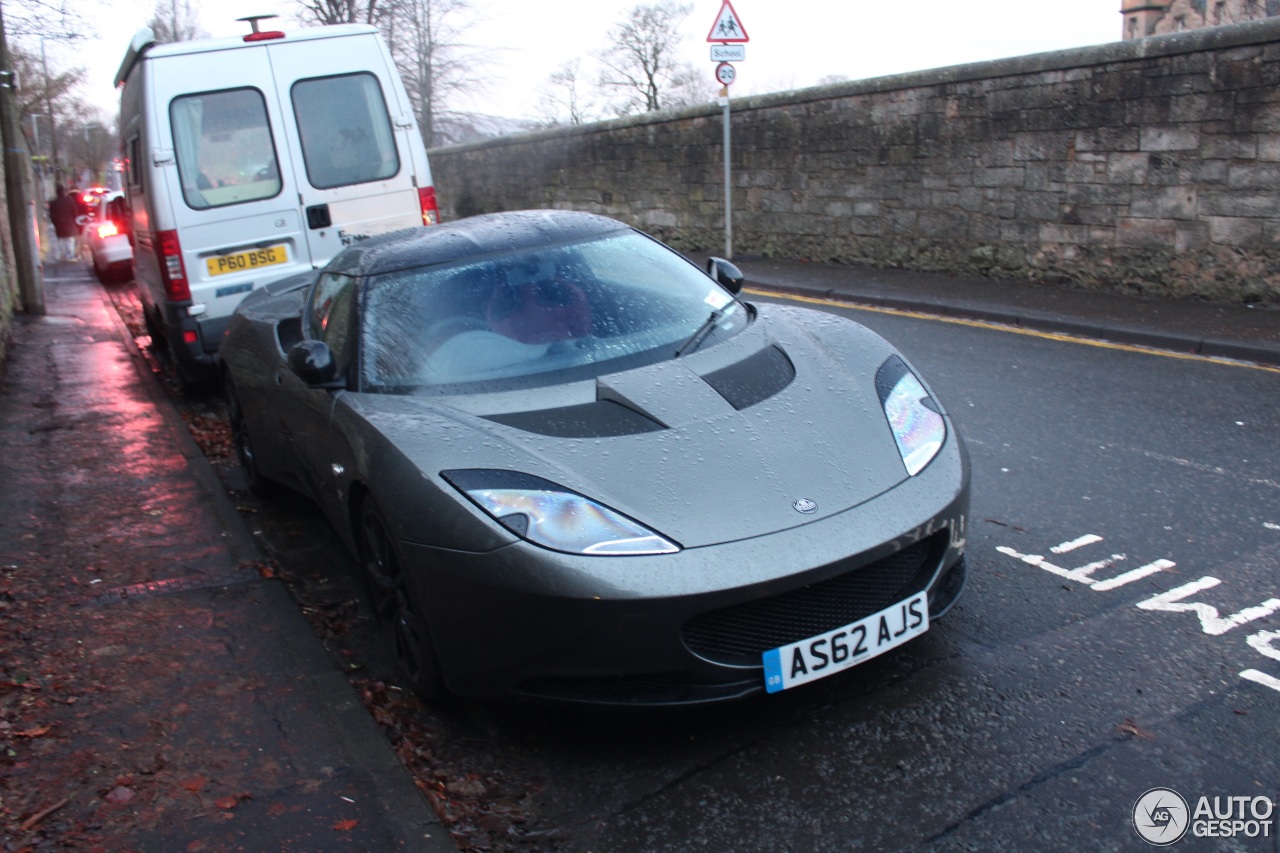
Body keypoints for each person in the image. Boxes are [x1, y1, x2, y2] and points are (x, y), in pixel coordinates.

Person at [47, 184, 80, 263]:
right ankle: (69, 256)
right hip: (70, 224)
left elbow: (51, 215)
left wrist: (55, 223)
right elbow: (74, 213)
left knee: (61, 240)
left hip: (59, 225)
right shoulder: (70, 200)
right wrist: (74, 222)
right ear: (64, 191)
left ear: (56, 192)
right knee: (70, 240)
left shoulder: (53, 203)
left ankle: (63, 255)